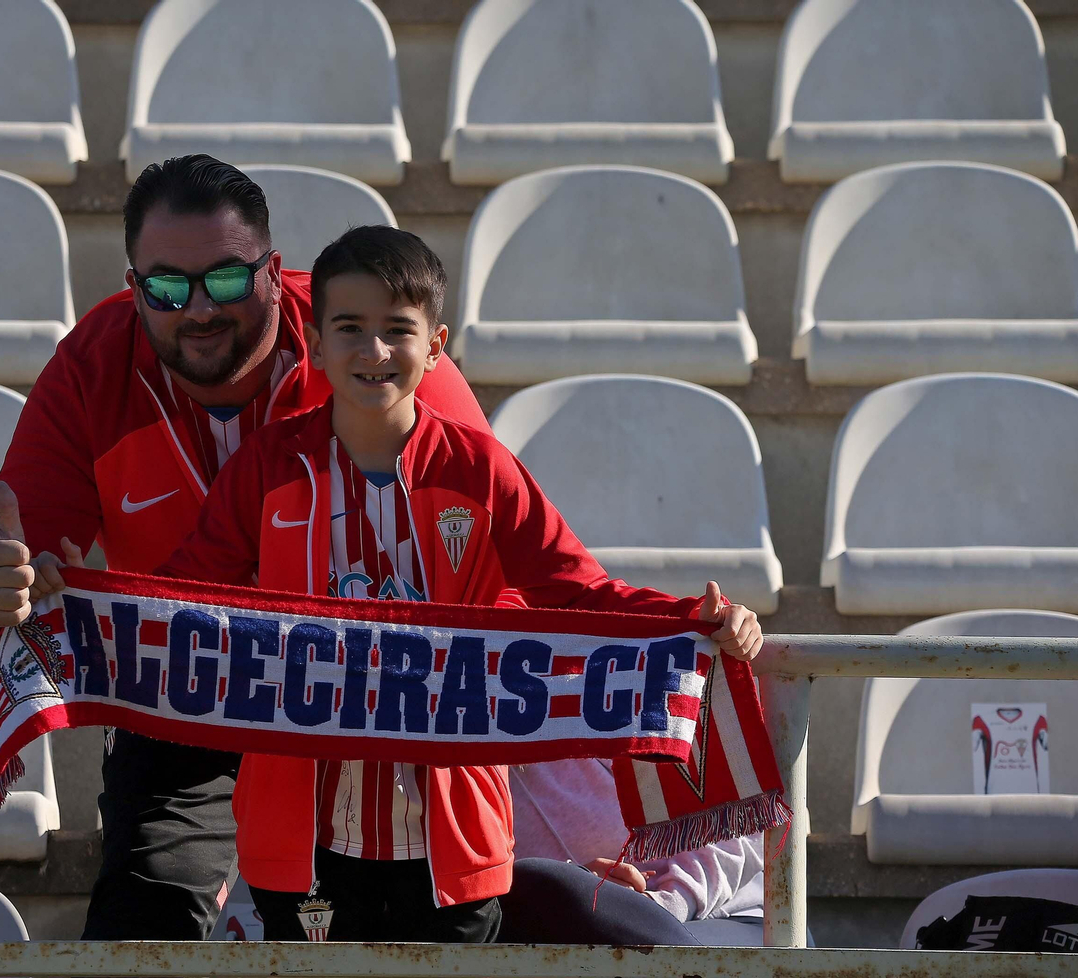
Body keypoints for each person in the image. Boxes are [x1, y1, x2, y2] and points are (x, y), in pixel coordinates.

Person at [145, 225, 763, 941]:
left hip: (454, 838)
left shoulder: (481, 470)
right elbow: (180, 596)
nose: (373, 351)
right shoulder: (267, 467)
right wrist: (75, 603)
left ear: (435, 347)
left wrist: (692, 618)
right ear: (314, 345)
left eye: (396, 330)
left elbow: (574, 589)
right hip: (302, 842)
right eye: (349, 328)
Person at [0, 155, 492, 940]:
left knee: (379, 944)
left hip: (358, 704)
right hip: (186, 691)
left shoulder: (363, 340)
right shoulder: (94, 365)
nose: (198, 308)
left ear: (274, 273)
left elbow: (504, 547)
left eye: (227, 281)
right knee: (142, 928)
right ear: (133, 288)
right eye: (167, 287)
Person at [499, 757, 766, 946]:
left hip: (726, 914)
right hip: (571, 930)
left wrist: (666, 902)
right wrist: (581, 884)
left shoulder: (666, 684)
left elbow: (744, 815)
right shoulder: (471, 727)